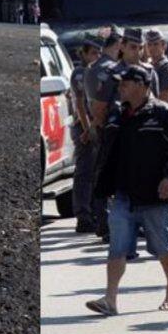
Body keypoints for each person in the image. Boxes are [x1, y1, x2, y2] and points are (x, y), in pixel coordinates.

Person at [87, 65, 168, 317]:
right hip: (122, 196)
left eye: (125, 83)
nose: (120, 87)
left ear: (143, 85)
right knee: (117, 247)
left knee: (162, 246)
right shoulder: (117, 115)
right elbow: (106, 153)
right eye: (119, 83)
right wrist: (104, 185)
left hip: (155, 196)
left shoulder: (164, 113)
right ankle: (110, 299)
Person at [86, 26, 125, 238]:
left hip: (97, 125)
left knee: (99, 174)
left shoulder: (92, 68)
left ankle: (101, 221)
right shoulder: (115, 69)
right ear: (118, 44)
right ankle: (109, 224)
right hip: (113, 127)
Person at [70, 37, 103, 233]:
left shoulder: (95, 72)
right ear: (83, 53)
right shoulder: (80, 74)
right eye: (92, 53)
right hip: (84, 126)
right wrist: (87, 129)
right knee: (85, 172)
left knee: (96, 171)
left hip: (95, 126)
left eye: (98, 53)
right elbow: (80, 104)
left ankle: (93, 212)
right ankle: (83, 215)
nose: (96, 56)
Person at [121, 27, 160, 97]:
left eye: (141, 48)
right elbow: (100, 105)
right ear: (123, 47)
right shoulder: (113, 72)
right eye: (133, 47)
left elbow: (156, 101)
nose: (138, 52)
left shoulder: (149, 72)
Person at [145, 29, 168, 104]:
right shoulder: (147, 65)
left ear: (164, 45)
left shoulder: (167, 68)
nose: (152, 48)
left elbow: (167, 99)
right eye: (149, 44)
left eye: (156, 44)